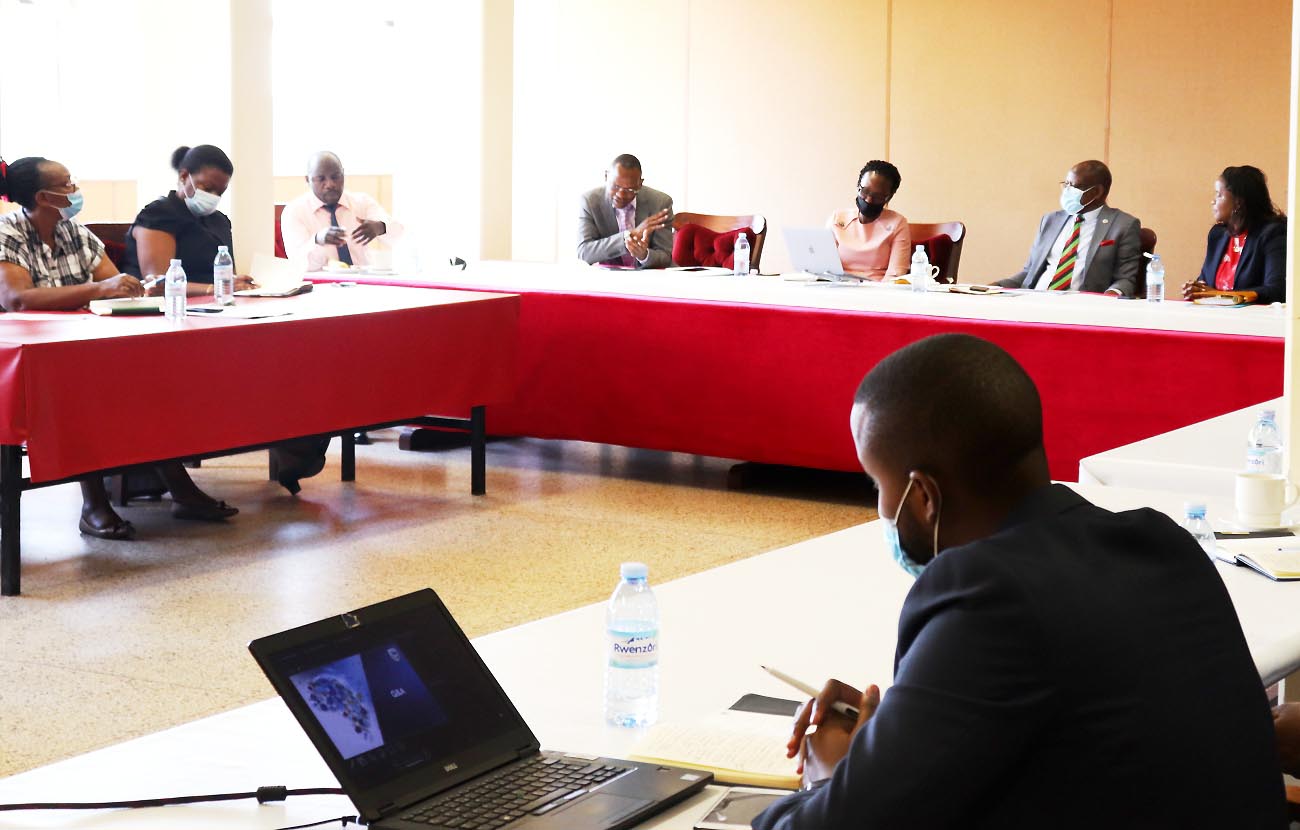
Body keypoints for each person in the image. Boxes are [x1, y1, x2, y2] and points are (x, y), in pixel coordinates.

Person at [753, 333, 1286, 828]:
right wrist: (894, 731)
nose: (880, 505)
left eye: (877, 483)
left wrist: (828, 774)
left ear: (923, 495)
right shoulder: (1160, 541)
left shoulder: (986, 592)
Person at [0, 157, 237, 538]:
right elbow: (18, 299)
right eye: (67, 184)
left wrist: (120, 288)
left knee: (147, 385)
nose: (75, 189)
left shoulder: (75, 234)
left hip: (83, 343)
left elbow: (120, 285)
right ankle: (93, 503)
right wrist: (98, 290)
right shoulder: (8, 233)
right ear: (45, 196)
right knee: (82, 393)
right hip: (29, 355)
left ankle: (180, 489)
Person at [996, 160, 1142, 296]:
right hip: (1036, 300)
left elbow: (1125, 279)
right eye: (1066, 184)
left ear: (1097, 192)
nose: (1067, 190)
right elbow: (1029, 272)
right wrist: (995, 287)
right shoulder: (1050, 220)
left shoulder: (1123, 225)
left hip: (1083, 308)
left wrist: (1109, 299)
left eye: (1074, 186)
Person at [121, 145, 254, 294]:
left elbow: (225, 273)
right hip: (166, 309)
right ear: (183, 176)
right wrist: (215, 289)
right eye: (207, 188)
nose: (213, 197)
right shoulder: (157, 215)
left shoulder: (219, 220)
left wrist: (237, 283)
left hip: (213, 305)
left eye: (219, 192)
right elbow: (158, 284)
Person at [279, 151, 403, 272]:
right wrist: (318, 240)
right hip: (319, 287)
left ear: (343, 175)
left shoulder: (362, 203)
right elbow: (299, 265)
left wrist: (380, 227)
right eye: (321, 179)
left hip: (364, 282)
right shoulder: (294, 211)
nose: (330, 184)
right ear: (308, 180)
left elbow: (401, 236)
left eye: (335, 177)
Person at [1182, 166, 1286, 305]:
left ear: (1238, 202)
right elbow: (1206, 283)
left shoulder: (1272, 234)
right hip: (1215, 318)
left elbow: (1276, 291)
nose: (1213, 201)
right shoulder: (1217, 235)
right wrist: (1196, 290)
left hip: (1254, 322)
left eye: (1219, 195)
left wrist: (1217, 295)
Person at [576, 154, 673, 269]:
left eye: (629, 189)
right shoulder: (590, 201)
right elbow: (584, 253)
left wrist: (644, 255)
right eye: (615, 186)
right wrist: (628, 237)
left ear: (640, 184)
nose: (621, 195)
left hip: (647, 278)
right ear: (606, 177)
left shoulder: (660, 203)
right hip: (606, 279)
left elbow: (665, 257)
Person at [826, 160, 911, 279]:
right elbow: (823, 266)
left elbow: (895, 275)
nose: (869, 200)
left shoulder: (897, 223)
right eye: (865, 191)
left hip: (877, 292)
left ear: (889, 196)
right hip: (838, 288)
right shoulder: (837, 218)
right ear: (858, 186)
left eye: (878, 196)